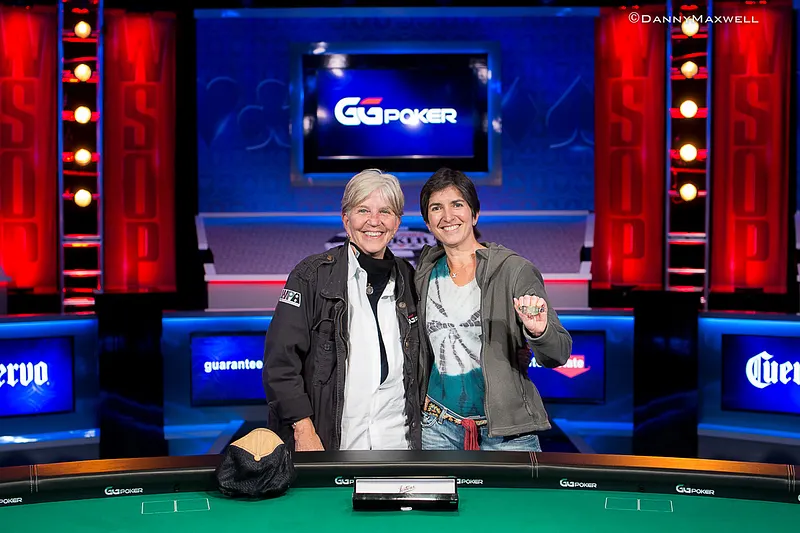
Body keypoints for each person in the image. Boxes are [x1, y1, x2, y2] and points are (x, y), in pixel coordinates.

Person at [263, 169, 423, 452]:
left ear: (397, 223)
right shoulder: (311, 276)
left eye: (385, 211)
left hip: (398, 447)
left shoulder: (410, 279)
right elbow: (280, 364)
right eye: (363, 210)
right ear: (346, 220)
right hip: (332, 446)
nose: (374, 221)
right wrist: (303, 430)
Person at [414, 167, 572, 451]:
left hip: (506, 435)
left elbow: (558, 353)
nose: (447, 216)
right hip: (436, 429)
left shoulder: (514, 270)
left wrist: (539, 332)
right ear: (428, 222)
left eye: (457, 204)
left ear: (474, 214)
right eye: (436, 208)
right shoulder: (423, 273)